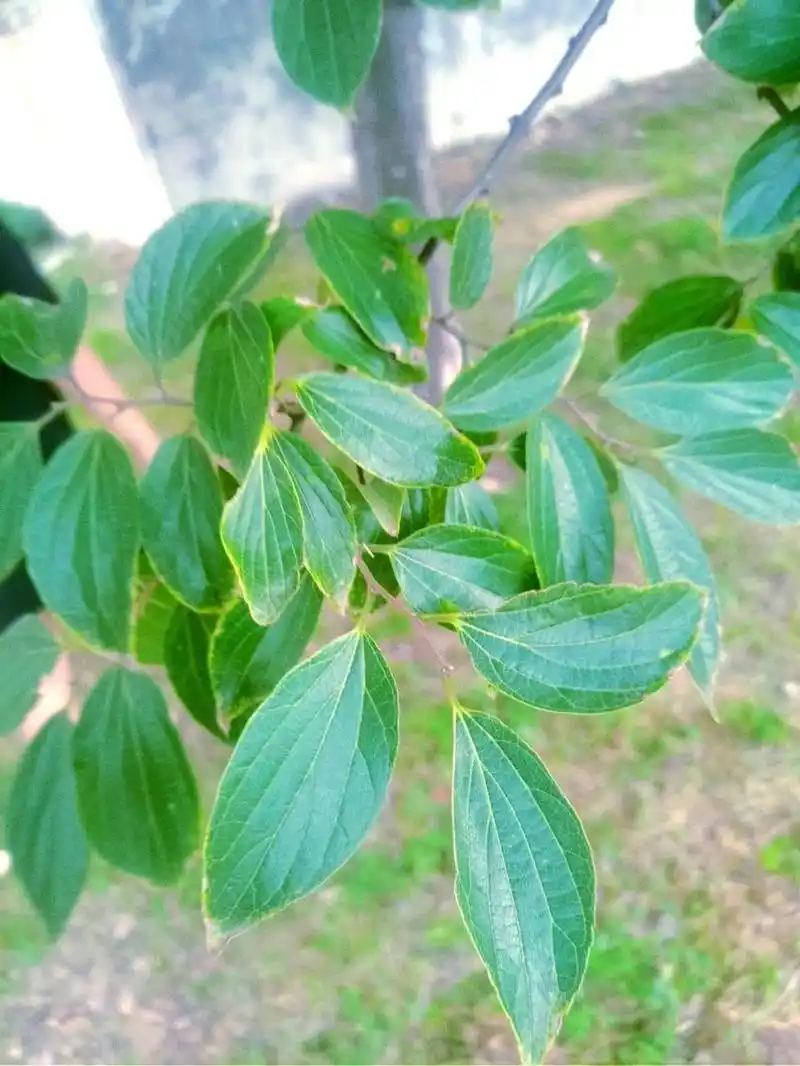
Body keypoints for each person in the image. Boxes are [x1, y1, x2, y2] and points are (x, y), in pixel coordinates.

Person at [0, 217, 160, 733]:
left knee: (34, 657)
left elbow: (57, 350)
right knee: (33, 666)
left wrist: (148, 447)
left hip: (42, 488)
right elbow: (58, 351)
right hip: (42, 488)